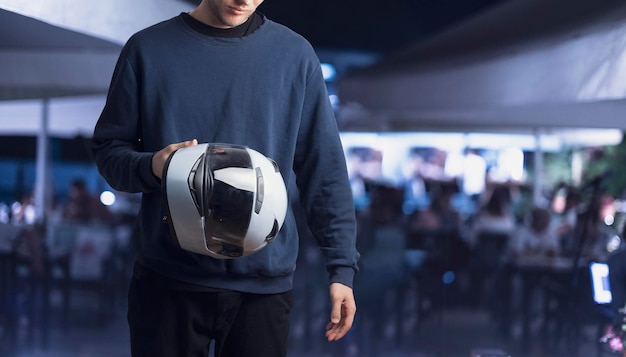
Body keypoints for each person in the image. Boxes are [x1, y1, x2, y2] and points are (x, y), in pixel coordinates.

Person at [91, 1, 359, 356]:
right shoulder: (147, 49)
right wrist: (153, 166)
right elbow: (109, 151)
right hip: (168, 281)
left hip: (263, 288)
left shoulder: (295, 55)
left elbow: (324, 170)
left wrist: (341, 268)